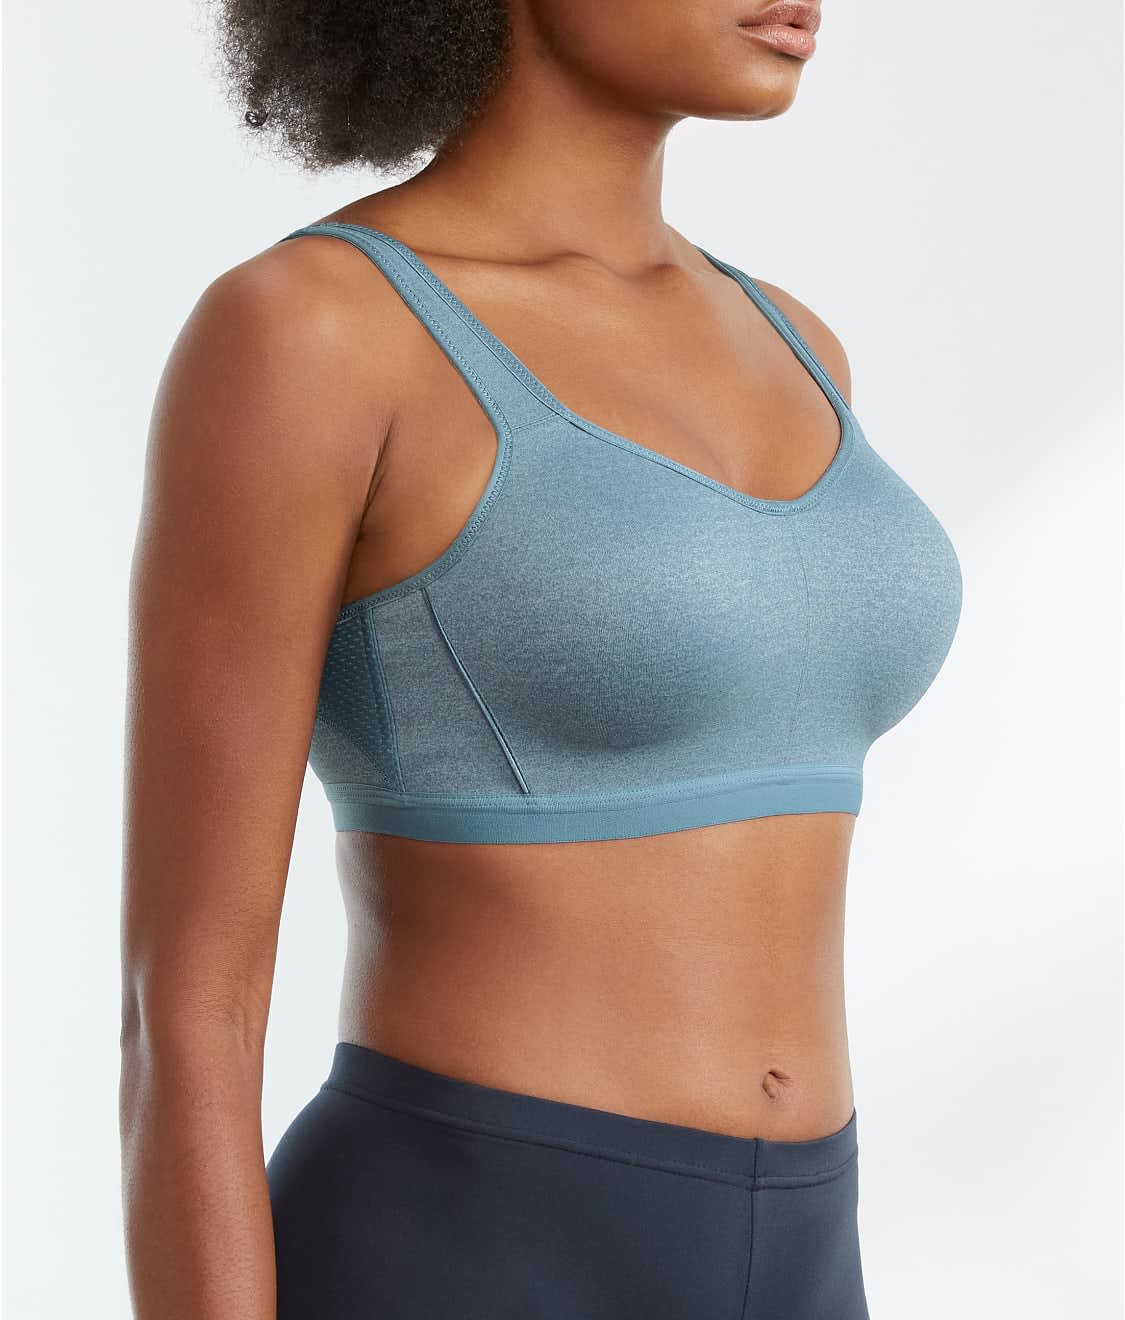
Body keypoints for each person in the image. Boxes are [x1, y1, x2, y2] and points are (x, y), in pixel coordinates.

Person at [119, 1, 963, 1316]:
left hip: (809, 1251)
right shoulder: (315, 330)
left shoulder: (795, 344)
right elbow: (187, 1013)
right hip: (467, 1247)